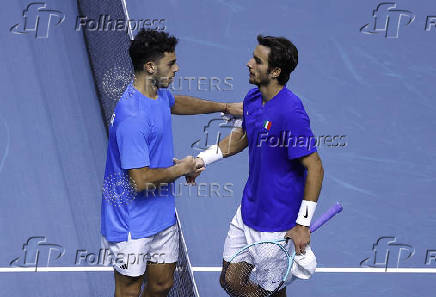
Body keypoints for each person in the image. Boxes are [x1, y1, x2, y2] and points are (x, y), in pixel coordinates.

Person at [100, 28, 242, 297]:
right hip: (130, 223)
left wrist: (224, 107)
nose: (177, 68)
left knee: (163, 284)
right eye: (171, 63)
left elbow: (177, 104)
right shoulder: (133, 118)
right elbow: (140, 180)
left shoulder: (157, 94)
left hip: (162, 213)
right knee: (129, 290)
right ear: (151, 66)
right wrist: (181, 169)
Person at [194, 35, 324, 296]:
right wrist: (202, 159)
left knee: (269, 290)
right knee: (230, 281)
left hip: (277, 221)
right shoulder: (253, 100)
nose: (249, 63)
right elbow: (241, 138)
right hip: (250, 208)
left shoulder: (291, 113)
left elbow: (316, 168)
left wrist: (303, 224)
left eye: (257, 61)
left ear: (275, 72)